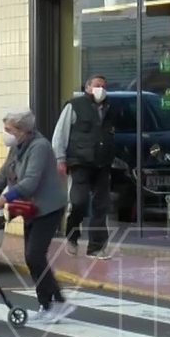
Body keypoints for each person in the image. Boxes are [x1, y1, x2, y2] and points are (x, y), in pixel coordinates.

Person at [0, 109, 75, 324]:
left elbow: (30, 182)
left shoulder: (39, 147)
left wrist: (4, 200)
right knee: (32, 256)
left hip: (48, 208)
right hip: (31, 209)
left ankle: (59, 302)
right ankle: (48, 304)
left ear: (22, 130)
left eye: (9, 130)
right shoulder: (17, 147)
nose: (6, 134)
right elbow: (2, 176)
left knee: (34, 255)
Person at [52, 74, 114, 259]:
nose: (100, 89)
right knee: (79, 202)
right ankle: (72, 235)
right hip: (79, 162)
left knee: (101, 206)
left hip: (102, 164)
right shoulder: (75, 106)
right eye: (96, 85)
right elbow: (60, 134)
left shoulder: (110, 108)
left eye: (103, 85)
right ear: (87, 87)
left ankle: (96, 247)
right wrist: (60, 159)